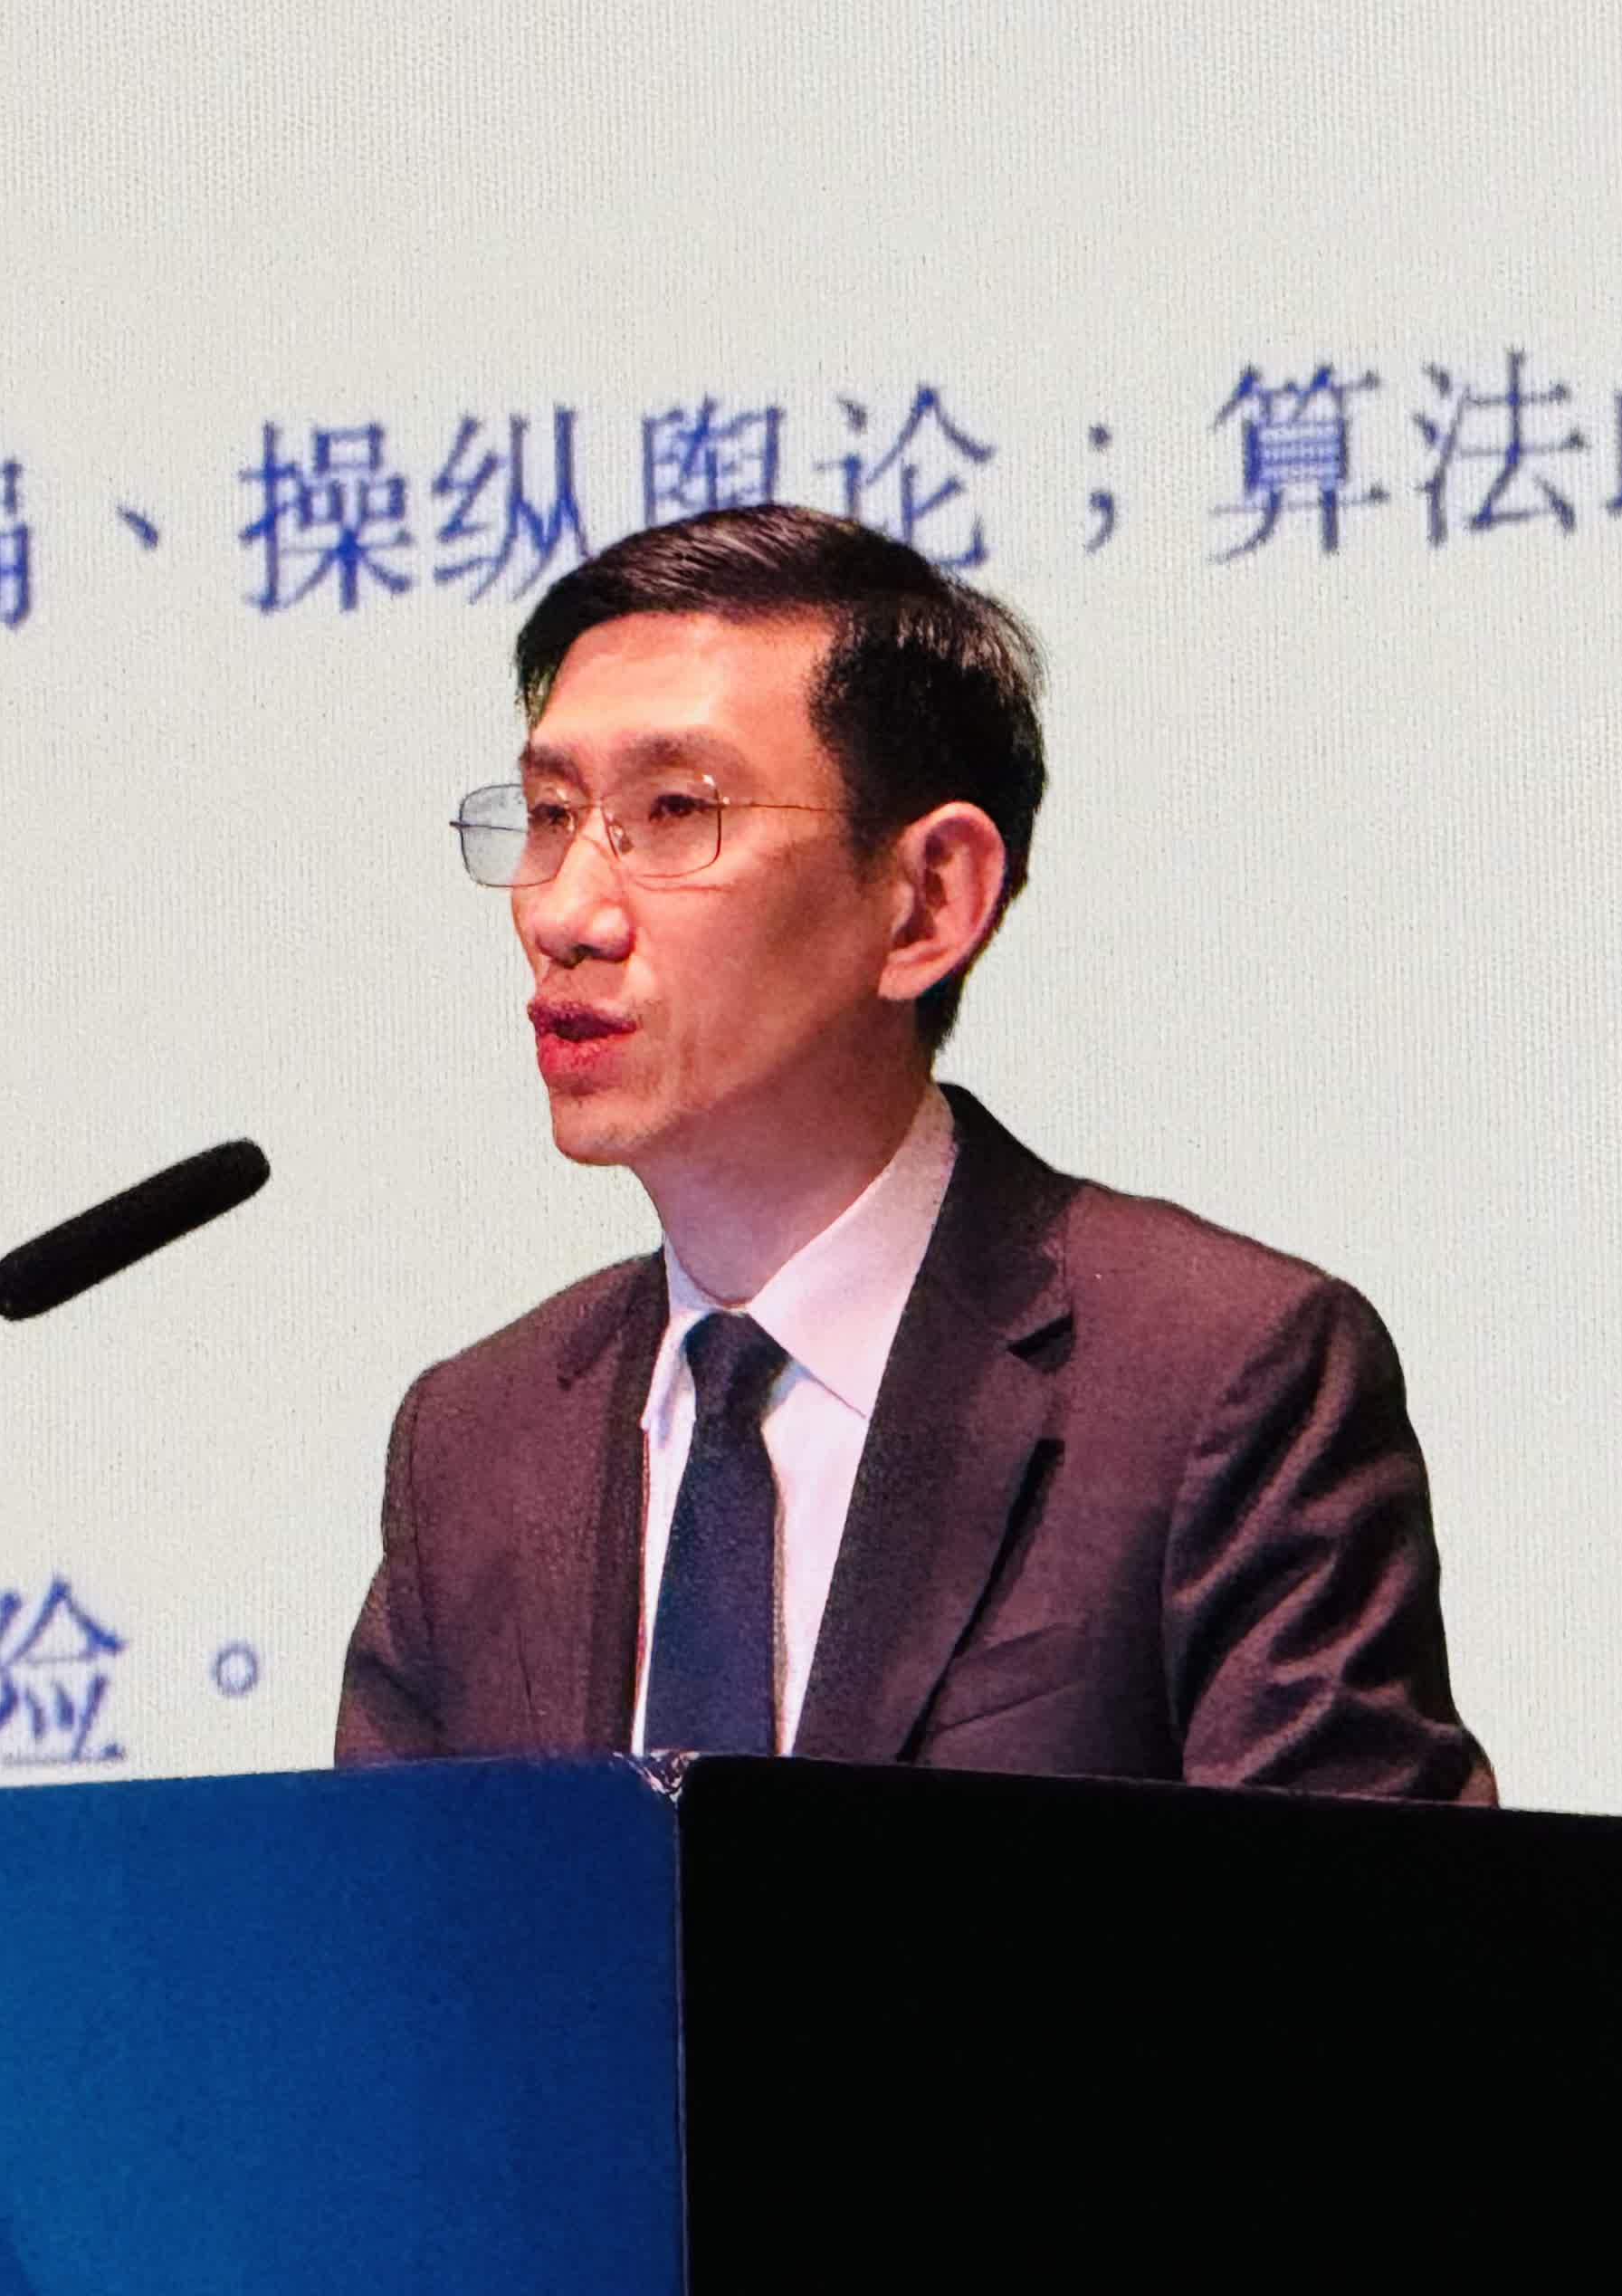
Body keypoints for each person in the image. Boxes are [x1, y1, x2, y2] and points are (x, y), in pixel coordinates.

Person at [336, 504, 1492, 1799]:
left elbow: (1363, 1927)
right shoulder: (476, 1445)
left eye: (673, 811)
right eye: (551, 813)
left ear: (929, 899)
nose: (563, 912)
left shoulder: (1217, 1383)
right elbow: (389, 1924)